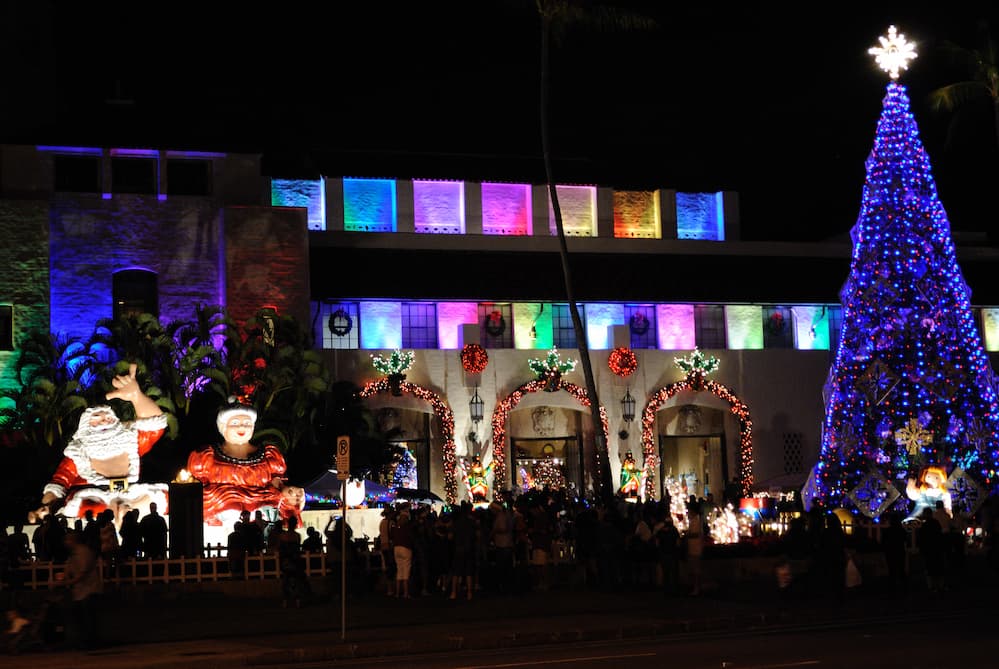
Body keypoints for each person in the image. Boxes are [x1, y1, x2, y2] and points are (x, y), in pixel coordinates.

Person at [31, 363, 168, 525]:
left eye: (108, 418)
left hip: (130, 494)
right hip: (95, 498)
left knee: (159, 498)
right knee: (88, 507)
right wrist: (47, 505)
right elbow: (60, 481)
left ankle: (128, 515)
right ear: (85, 428)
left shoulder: (129, 439)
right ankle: (119, 518)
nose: (104, 421)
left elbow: (154, 426)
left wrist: (136, 396)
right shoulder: (79, 452)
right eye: (96, 420)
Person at [186, 400, 305, 528]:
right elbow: (196, 489)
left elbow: (277, 485)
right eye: (235, 423)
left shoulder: (269, 455)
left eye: (247, 424)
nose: (242, 428)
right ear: (223, 426)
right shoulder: (207, 456)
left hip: (261, 509)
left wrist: (286, 492)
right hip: (220, 509)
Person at [60, 530, 103, 650]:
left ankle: (91, 643)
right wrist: (64, 577)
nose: (65, 542)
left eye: (67, 540)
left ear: (73, 541)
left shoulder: (83, 552)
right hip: (80, 591)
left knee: (88, 618)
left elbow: (83, 573)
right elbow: (68, 569)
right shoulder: (73, 554)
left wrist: (68, 582)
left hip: (89, 589)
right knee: (82, 618)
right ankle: (85, 642)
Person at [390, 506, 415, 598]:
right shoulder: (407, 527)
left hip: (396, 548)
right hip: (406, 548)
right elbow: (411, 537)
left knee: (399, 570)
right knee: (406, 571)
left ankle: (397, 592)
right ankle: (406, 592)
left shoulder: (396, 526)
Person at [684, 498, 704, 596]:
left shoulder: (696, 520)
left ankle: (697, 588)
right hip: (693, 548)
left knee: (696, 569)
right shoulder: (694, 520)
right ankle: (695, 587)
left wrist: (687, 535)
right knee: (694, 569)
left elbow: (696, 534)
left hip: (695, 548)